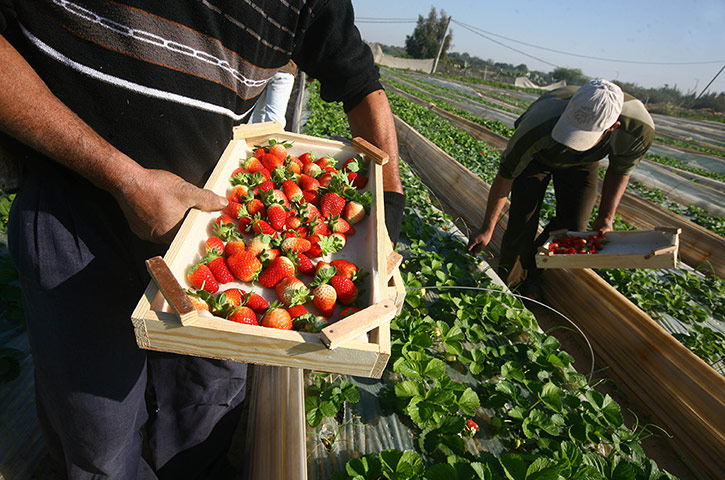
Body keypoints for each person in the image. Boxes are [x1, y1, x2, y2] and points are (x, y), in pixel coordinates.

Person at [0, 1, 404, 478]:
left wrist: (388, 210)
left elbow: (361, 85)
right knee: (98, 442)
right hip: (72, 212)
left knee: (203, 414)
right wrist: (122, 177)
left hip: (210, 221)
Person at [467, 79, 654, 298]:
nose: (569, 145)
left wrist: (606, 218)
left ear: (612, 127)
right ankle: (512, 287)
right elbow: (507, 175)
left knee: (574, 226)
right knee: (523, 219)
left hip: (584, 161)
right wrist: (487, 228)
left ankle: (533, 273)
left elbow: (619, 170)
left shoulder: (638, 131)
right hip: (538, 157)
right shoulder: (538, 124)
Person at [249, 60, 297, 130]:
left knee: (257, 115)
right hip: (284, 69)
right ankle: (273, 139)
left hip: (260, 68)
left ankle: (257, 139)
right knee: (275, 119)